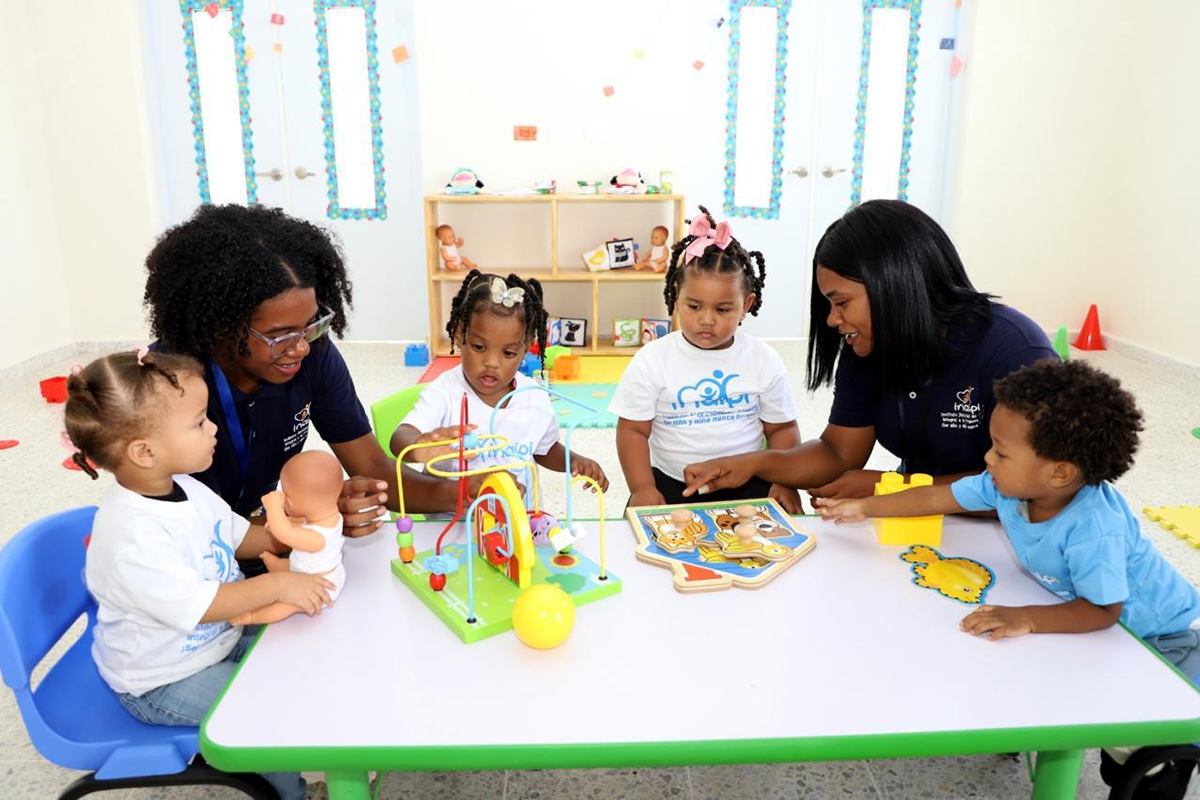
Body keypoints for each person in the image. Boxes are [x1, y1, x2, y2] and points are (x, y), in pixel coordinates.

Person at [816, 360, 1200, 798]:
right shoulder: (1005, 486)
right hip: (1096, 619)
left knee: (1139, 749)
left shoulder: (1095, 526)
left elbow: (1102, 610)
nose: (987, 458)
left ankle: (1164, 760)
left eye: (1000, 451)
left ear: (1059, 472)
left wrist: (1029, 618)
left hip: (1161, 637)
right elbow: (934, 496)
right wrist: (867, 507)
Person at [66, 350, 330, 800]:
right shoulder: (133, 537)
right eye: (199, 422)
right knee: (268, 710)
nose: (213, 429)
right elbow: (206, 604)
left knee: (303, 651)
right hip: (162, 679)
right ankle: (293, 796)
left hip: (216, 640)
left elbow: (240, 535)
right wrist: (280, 583)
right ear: (144, 451)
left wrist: (290, 533)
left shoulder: (186, 487)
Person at [682, 200, 1057, 503]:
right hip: (919, 514)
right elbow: (839, 453)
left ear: (896, 286)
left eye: (841, 302)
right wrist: (754, 464)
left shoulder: (1016, 352)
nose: (832, 320)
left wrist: (896, 487)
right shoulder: (866, 346)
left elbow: (1037, 486)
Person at [143, 203, 473, 539]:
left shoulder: (314, 355)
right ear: (221, 327)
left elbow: (373, 468)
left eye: (312, 324)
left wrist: (464, 492)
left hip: (275, 535)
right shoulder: (164, 383)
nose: (301, 346)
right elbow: (188, 526)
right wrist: (314, 516)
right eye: (279, 336)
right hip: (195, 560)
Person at [609, 206, 802, 512]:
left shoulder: (763, 360)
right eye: (694, 306)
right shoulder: (652, 360)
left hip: (748, 482)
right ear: (676, 297)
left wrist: (785, 482)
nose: (707, 320)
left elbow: (781, 429)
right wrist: (642, 487)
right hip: (671, 483)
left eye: (723, 310)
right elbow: (632, 430)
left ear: (745, 305)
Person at [391, 271, 608, 493]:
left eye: (508, 353)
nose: (492, 362)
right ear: (459, 335)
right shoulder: (444, 392)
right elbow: (400, 437)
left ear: (525, 348)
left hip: (519, 519)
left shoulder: (534, 396)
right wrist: (421, 448)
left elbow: (545, 449)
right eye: (479, 347)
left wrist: (573, 460)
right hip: (454, 519)